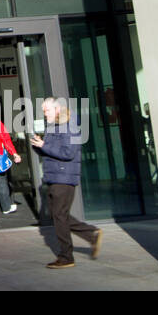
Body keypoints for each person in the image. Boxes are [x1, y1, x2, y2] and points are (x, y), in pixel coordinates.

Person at [30, 97, 101, 269]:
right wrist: (38, 145)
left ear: (57, 109)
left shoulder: (70, 126)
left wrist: (44, 145)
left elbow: (68, 152)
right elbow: (50, 151)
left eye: (46, 109)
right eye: (43, 110)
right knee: (59, 215)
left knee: (59, 216)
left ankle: (66, 256)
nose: (44, 113)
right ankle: (91, 234)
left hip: (64, 177)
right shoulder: (54, 126)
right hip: (55, 177)